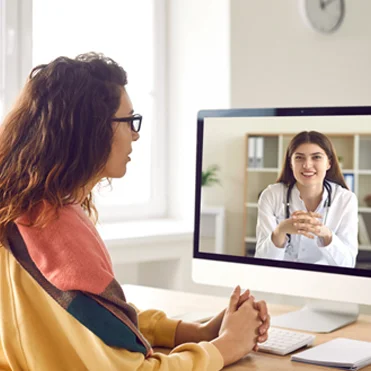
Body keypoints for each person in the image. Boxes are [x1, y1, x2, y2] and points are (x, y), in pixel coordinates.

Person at [0, 53, 270, 370]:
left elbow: (95, 323)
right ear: (91, 129)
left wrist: (192, 332)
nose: (136, 134)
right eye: (128, 121)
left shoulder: (25, 211)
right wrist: (225, 347)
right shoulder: (57, 239)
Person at [255, 131, 358, 267]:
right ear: (291, 164)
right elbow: (261, 264)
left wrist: (326, 235)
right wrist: (280, 231)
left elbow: (347, 264)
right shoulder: (271, 195)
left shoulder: (346, 199)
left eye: (316, 157)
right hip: (281, 280)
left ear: (329, 163)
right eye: (299, 158)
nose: (307, 165)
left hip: (325, 282)